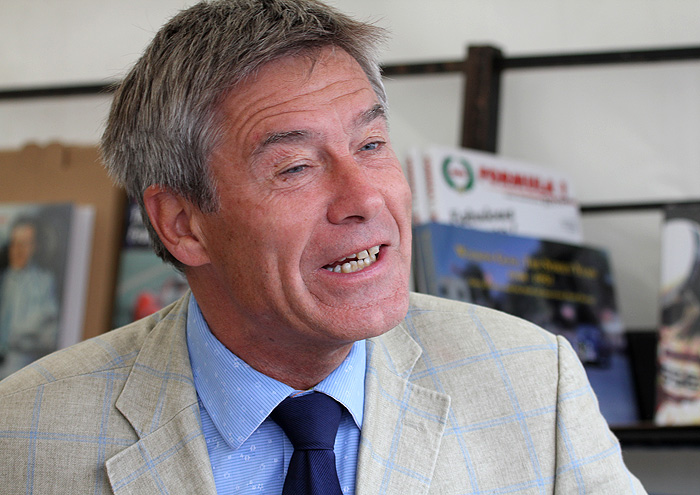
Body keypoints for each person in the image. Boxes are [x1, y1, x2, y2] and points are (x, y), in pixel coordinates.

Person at [0, 1, 647, 493]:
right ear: (181, 224)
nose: (364, 197)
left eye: (371, 145)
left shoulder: (534, 382)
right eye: (295, 168)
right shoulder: (23, 435)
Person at [0, 216, 59, 379]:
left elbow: (49, 337)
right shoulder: (4, 278)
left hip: (19, 368)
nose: (18, 250)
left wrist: (18, 339)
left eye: (25, 244)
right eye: (14, 243)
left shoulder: (44, 283)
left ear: (35, 247)